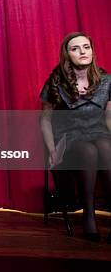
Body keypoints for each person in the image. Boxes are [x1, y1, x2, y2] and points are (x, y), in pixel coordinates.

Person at [40, 32, 111, 243]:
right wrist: (52, 150)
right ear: (67, 54)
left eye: (86, 47)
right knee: (88, 150)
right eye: (75, 48)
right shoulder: (56, 81)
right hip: (68, 138)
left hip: (98, 133)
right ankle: (89, 216)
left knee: (106, 147)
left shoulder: (106, 80)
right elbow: (44, 121)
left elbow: (109, 119)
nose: (82, 52)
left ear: (92, 51)